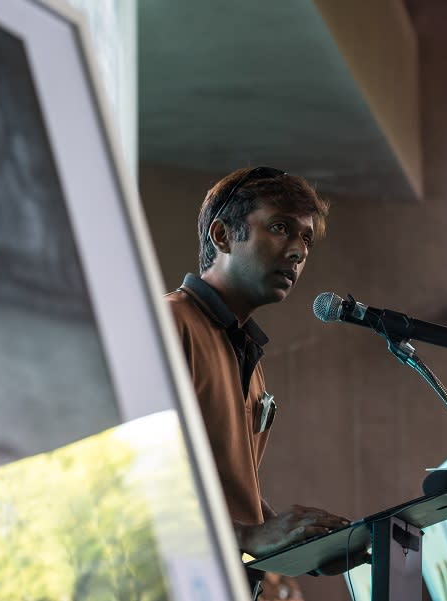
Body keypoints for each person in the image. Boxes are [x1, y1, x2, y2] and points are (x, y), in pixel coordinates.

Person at [164, 166, 353, 595]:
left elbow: (230, 489)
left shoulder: (245, 353)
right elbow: (135, 480)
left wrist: (297, 540)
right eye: (280, 227)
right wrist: (248, 539)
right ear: (223, 236)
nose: (298, 251)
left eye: (306, 237)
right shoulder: (168, 325)